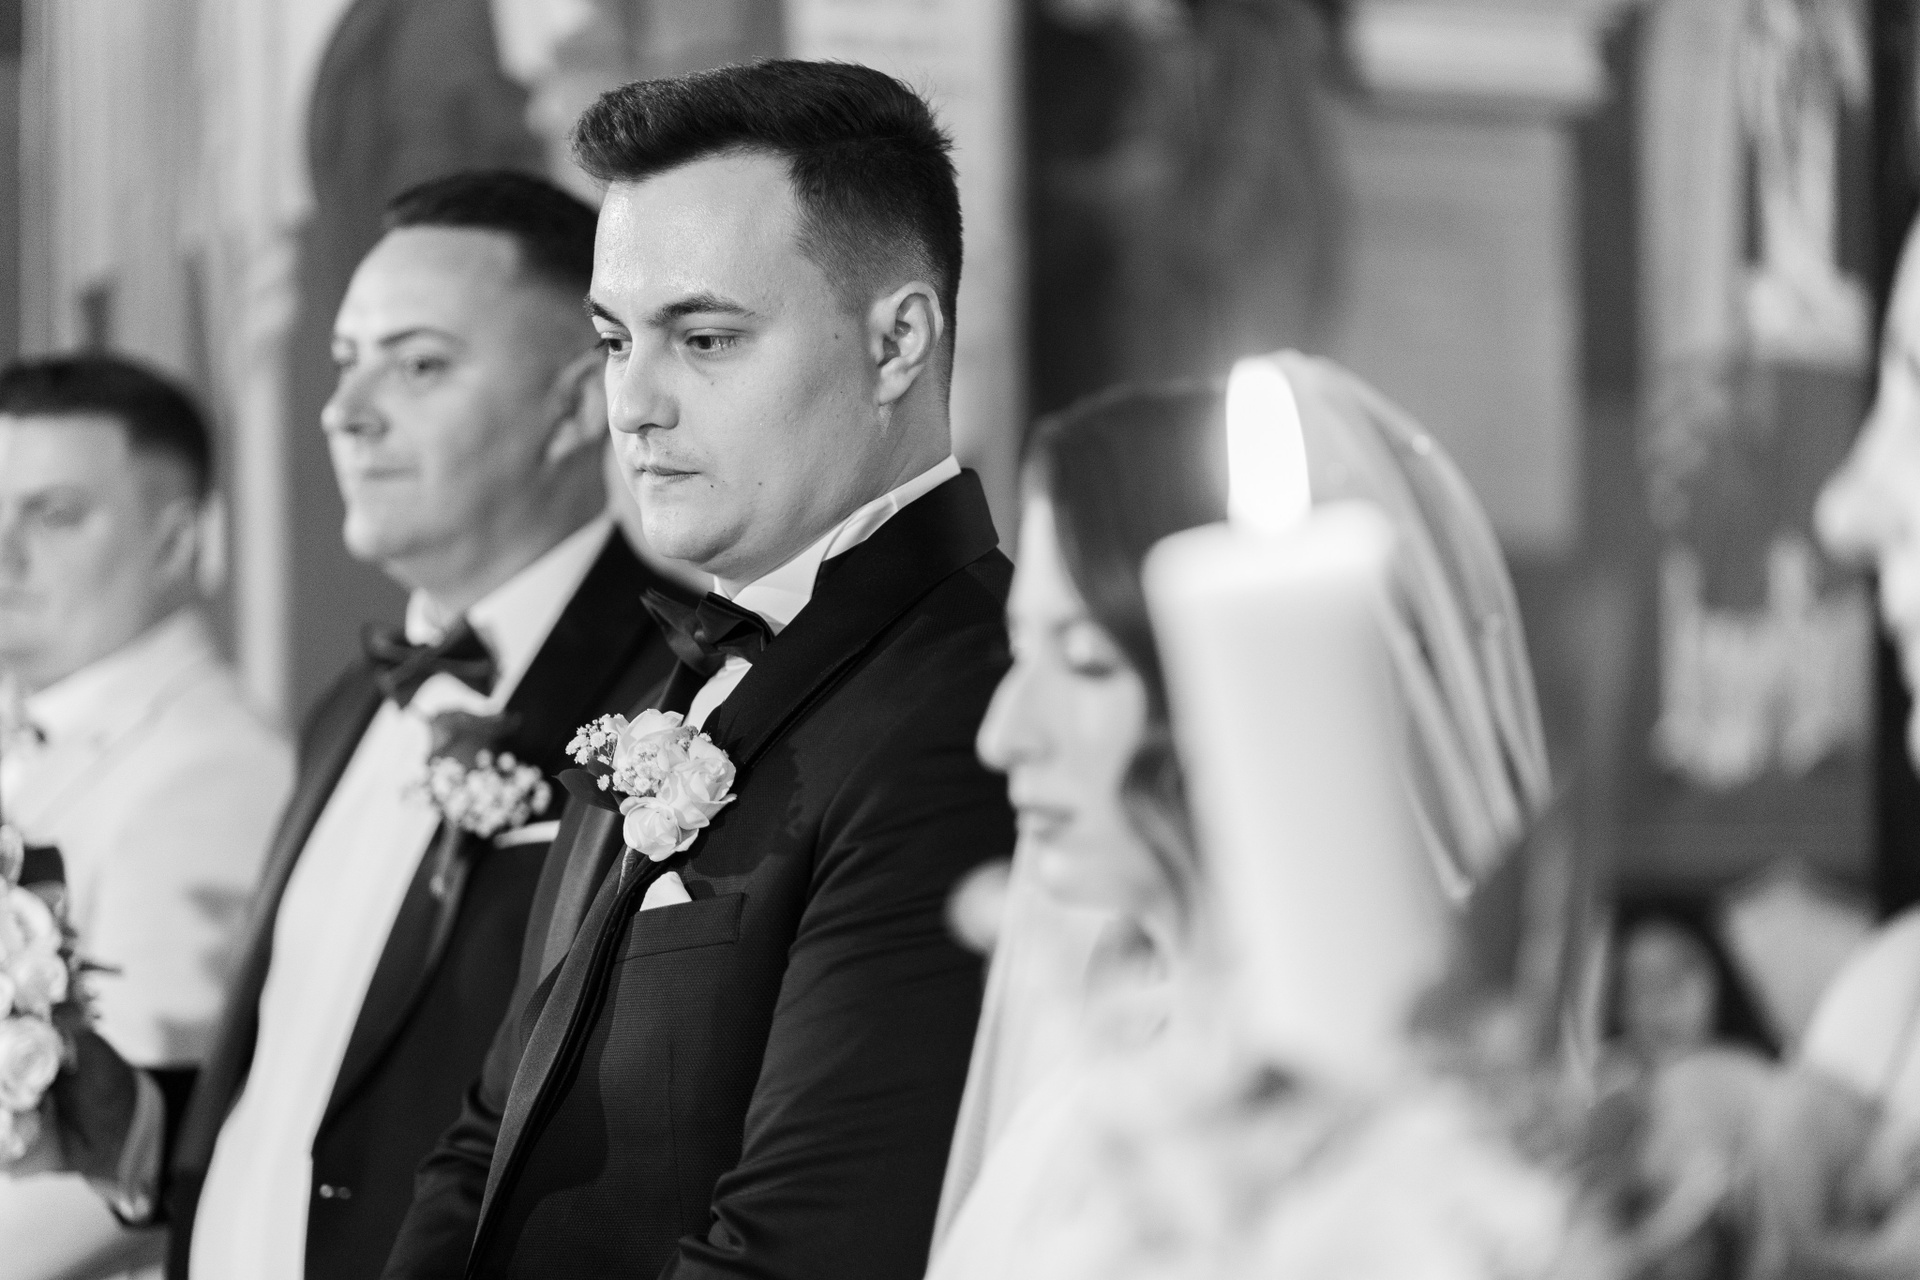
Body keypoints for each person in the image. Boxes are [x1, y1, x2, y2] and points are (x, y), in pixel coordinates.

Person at [381, 61, 1016, 1280]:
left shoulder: (971, 707)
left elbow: (808, 1246)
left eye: (706, 338)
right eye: (614, 340)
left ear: (898, 340)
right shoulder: (681, 673)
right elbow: (486, 1140)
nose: (632, 402)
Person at [29, 170, 686, 1280]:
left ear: (580, 406)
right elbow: (306, 1094)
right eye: (345, 361)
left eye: (419, 365)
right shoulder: (349, 705)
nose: (346, 410)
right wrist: (119, 1119)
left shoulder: (674, 699)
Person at [928, 355, 1612, 1280]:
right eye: (1018, 653)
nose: (1005, 735)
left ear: (1245, 692)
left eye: (1086, 663)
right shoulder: (1089, 1109)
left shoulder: (1416, 1161)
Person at [0, 355, 293, 1280]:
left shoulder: (209, 774)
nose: (4, 552)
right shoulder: (31, 732)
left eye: (53, 515)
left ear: (177, 542)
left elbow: (146, 1151)